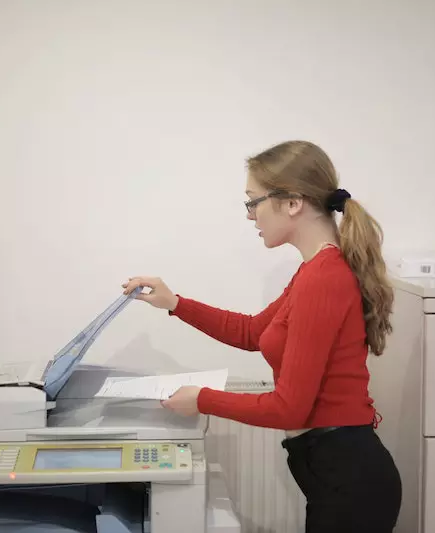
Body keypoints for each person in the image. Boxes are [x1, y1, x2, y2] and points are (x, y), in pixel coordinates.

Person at [122, 140, 402, 532]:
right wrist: (175, 303)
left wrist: (201, 400)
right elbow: (253, 332)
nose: (251, 216)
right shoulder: (314, 271)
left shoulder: (324, 277)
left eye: (253, 202)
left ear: (292, 203)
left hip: (349, 479)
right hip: (333, 473)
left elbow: (290, 408)